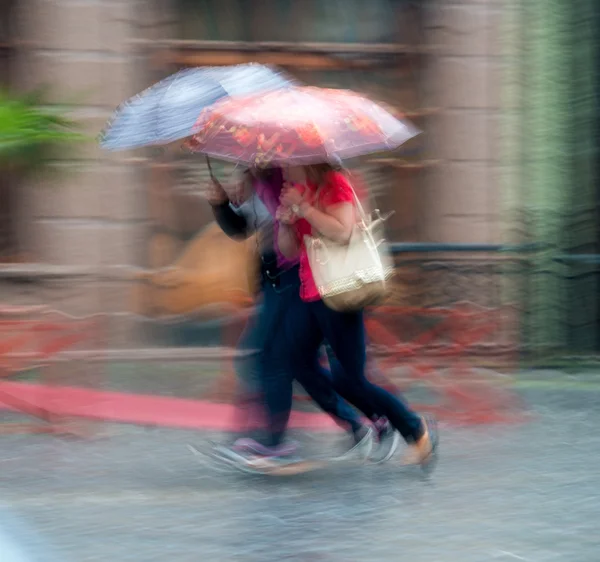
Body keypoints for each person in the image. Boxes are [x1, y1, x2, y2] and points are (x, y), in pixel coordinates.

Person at [204, 166, 399, 465]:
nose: (252, 153)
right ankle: (362, 424)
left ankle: (273, 442)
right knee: (299, 364)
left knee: (269, 357)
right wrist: (220, 203)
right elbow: (241, 228)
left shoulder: (288, 173)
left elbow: (311, 222)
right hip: (273, 279)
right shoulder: (254, 179)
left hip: (299, 276)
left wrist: (285, 202)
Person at [253, 162, 438, 469]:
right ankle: (361, 424)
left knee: (352, 379)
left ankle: (415, 429)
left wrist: (304, 209)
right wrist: (285, 221)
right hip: (310, 293)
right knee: (293, 359)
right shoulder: (299, 191)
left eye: (289, 161)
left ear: (309, 158)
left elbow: (343, 230)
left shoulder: (334, 183)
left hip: (340, 293)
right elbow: (289, 251)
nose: (284, 169)